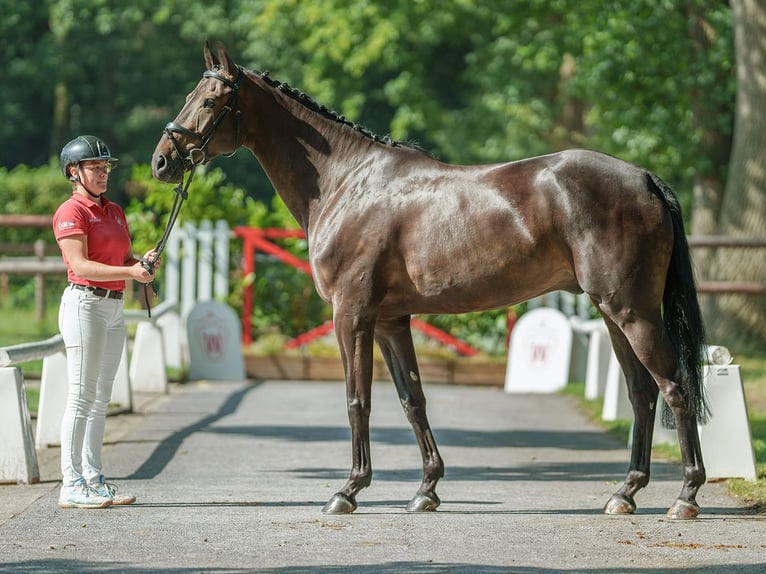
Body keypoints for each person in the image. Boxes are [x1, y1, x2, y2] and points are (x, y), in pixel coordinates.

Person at [53, 135, 160, 509]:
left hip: (114, 306)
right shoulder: (71, 212)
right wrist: (131, 272)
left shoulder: (114, 210)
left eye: (105, 167)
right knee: (81, 396)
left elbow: (123, 256)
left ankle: (94, 477)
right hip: (85, 305)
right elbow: (80, 265)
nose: (102, 173)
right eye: (94, 167)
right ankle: (70, 483)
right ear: (74, 171)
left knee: (101, 398)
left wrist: (140, 262)